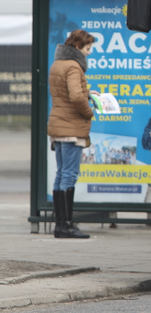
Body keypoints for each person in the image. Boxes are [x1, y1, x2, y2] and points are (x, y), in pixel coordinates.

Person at [48, 30, 97, 239]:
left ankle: (60, 225)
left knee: (61, 174)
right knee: (69, 174)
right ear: (78, 47)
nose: (89, 53)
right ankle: (67, 225)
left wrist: (88, 93)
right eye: (87, 49)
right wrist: (89, 111)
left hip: (58, 125)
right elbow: (76, 97)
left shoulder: (58, 64)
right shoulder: (74, 66)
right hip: (71, 127)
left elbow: (64, 92)